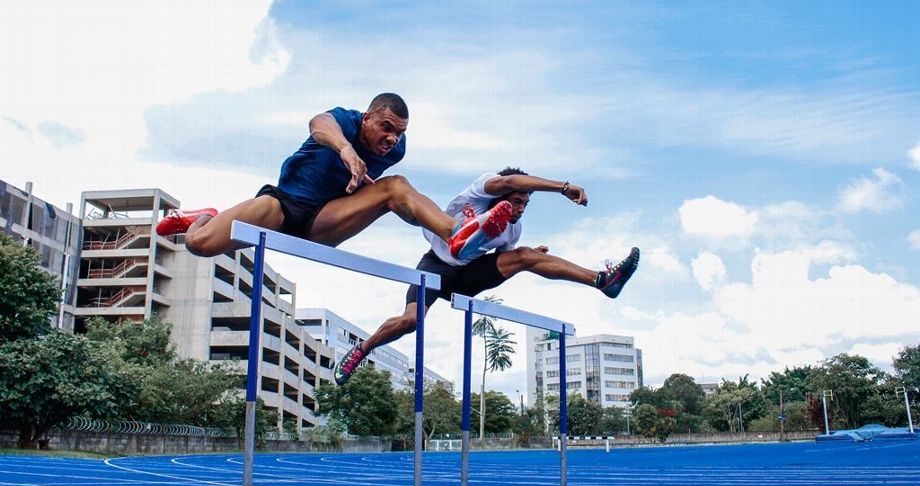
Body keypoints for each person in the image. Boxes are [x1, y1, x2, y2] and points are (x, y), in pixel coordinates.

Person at [333, 167, 640, 385]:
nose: (520, 210)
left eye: (525, 204)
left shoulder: (512, 229)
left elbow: (500, 261)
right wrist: (562, 187)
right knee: (410, 321)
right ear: (502, 193)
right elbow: (508, 180)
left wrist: (529, 254)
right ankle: (362, 349)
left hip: (469, 274)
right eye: (517, 202)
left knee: (522, 256)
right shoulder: (481, 190)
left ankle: (601, 281)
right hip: (437, 264)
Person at [155, 93, 513, 261]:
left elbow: (400, 200)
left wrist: (397, 206)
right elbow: (318, 125)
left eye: (399, 133)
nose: (391, 140)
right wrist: (345, 150)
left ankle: (456, 233)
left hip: (327, 221)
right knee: (199, 245)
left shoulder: (396, 150)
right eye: (386, 129)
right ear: (367, 117)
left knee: (396, 187)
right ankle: (206, 216)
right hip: (284, 205)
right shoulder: (345, 120)